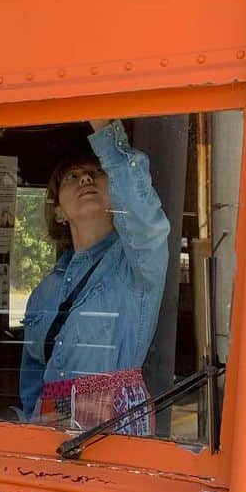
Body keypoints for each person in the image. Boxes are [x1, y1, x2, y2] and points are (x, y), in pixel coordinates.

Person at [19, 119, 170, 431]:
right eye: (71, 177)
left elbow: (148, 225)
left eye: (97, 172)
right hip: (50, 428)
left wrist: (107, 138)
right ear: (58, 210)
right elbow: (33, 377)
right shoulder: (45, 291)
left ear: (115, 193)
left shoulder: (137, 262)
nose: (85, 178)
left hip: (113, 427)